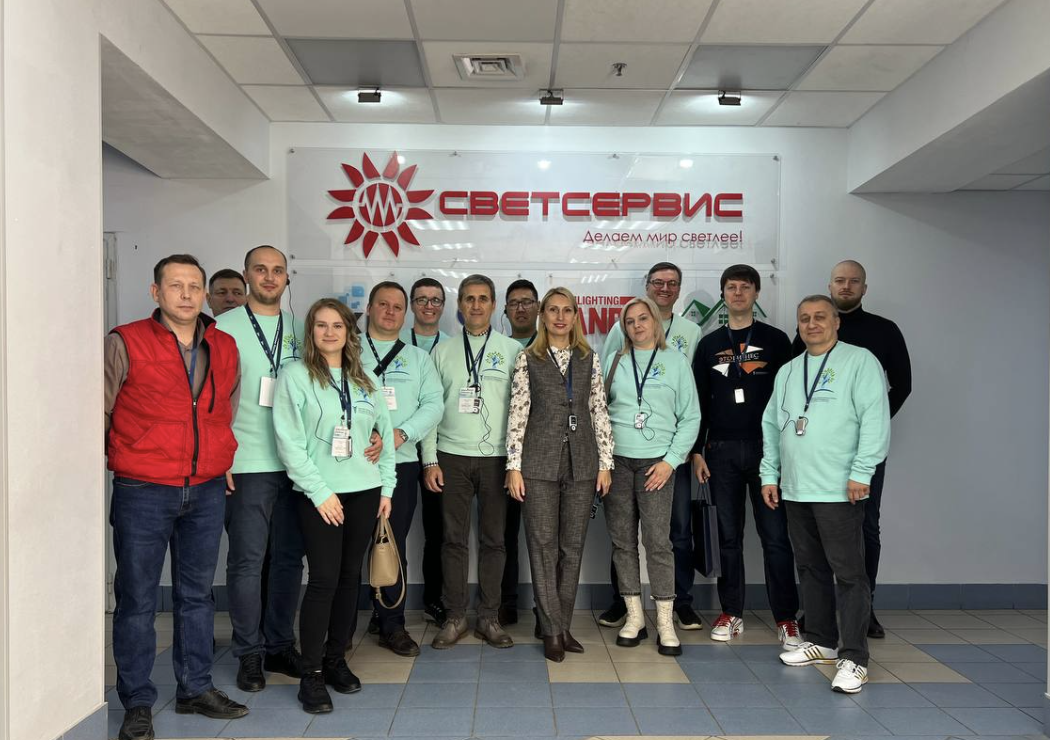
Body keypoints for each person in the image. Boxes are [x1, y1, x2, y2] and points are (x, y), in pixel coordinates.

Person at [106, 255, 248, 740]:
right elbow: (99, 409)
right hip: (143, 488)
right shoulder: (126, 341)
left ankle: (195, 688)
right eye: (175, 286)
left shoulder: (223, 345)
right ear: (156, 292)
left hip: (205, 488)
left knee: (196, 596)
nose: (186, 295)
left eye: (194, 286)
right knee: (137, 599)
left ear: (204, 294)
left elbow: (224, 407)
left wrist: (218, 454)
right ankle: (137, 701)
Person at [272, 298, 396, 714]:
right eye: (321, 325)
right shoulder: (295, 376)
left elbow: (385, 437)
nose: (329, 333)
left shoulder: (366, 379)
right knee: (323, 579)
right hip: (319, 494)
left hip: (365, 489)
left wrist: (387, 488)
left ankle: (335, 659)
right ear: (311, 332)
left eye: (337, 325)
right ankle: (311, 674)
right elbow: (289, 441)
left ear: (348, 332)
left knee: (348, 578)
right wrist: (319, 491)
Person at [762, 295, 890, 695]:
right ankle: (820, 640)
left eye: (820, 317)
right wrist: (770, 474)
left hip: (840, 487)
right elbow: (773, 424)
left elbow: (875, 420)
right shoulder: (788, 370)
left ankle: (854, 658)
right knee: (810, 568)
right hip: (797, 486)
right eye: (804, 318)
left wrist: (861, 472)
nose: (812, 324)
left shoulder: (860, 362)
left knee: (849, 574)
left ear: (836, 322)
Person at [791, 260, 911, 639]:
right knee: (815, 532)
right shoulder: (809, 334)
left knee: (865, 527)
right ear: (830, 285)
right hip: (815, 455)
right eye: (840, 281)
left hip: (863, 454)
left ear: (864, 288)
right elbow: (795, 388)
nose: (846, 286)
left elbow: (902, 385)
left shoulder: (883, 331)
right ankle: (818, 611)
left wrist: (867, 429)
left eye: (853, 281)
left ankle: (864, 609)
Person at [692, 265, 801, 647]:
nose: (737, 293)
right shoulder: (709, 344)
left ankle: (786, 618)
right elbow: (698, 401)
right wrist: (697, 451)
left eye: (745, 287)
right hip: (720, 452)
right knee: (727, 537)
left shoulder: (776, 340)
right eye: (731, 287)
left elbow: (791, 397)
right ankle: (731, 612)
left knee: (776, 538)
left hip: (766, 451)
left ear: (756, 293)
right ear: (723, 295)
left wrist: (787, 450)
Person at [215, 246, 307, 693]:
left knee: (288, 560)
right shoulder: (223, 328)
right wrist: (221, 458)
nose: (270, 277)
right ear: (247, 275)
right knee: (247, 562)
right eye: (261, 270)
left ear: (287, 278)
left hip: (296, 465)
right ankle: (248, 653)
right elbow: (209, 399)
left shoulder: (302, 328)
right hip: (246, 462)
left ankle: (279, 645)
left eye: (278, 270)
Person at [505, 287, 613, 662]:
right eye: (553, 310)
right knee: (542, 546)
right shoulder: (528, 358)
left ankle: (563, 625)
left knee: (572, 547)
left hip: (582, 463)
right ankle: (551, 629)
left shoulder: (588, 358)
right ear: (543, 315)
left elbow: (599, 409)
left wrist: (605, 464)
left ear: (575, 316)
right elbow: (518, 413)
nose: (560, 317)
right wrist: (513, 466)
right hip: (537, 464)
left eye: (567, 310)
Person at [599, 262, 703, 631]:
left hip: (658, 464)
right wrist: (603, 461)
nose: (637, 325)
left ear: (655, 322)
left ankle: (664, 620)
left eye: (643, 318)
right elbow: (599, 411)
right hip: (618, 462)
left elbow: (690, 416)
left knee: (659, 542)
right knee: (623, 542)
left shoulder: (676, 362)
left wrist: (671, 461)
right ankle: (633, 616)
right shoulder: (615, 361)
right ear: (623, 327)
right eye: (630, 321)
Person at [422, 274, 523, 649]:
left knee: (495, 541)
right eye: (469, 299)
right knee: (452, 540)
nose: (476, 305)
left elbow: (522, 411)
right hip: (451, 457)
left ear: (494, 305)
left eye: (483, 299)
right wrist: (430, 459)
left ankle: (489, 618)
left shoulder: (513, 350)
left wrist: (516, 462)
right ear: (460, 305)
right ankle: (455, 617)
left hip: (497, 458)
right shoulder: (442, 352)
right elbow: (430, 409)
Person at [361, 281, 443, 656]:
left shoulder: (418, 359)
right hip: (351, 464)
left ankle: (392, 623)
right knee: (347, 547)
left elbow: (433, 406)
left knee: (391, 544)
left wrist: (401, 433)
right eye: (383, 304)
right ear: (369, 308)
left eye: (397, 306)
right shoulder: (347, 349)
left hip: (401, 464)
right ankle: (344, 624)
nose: (390, 311)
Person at [400, 276, 450, 626]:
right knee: (390, 529)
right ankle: (386, 605)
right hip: (399, 447)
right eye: (422, 299)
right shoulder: (394, 342)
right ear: (411, 305)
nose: (429, 306)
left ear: (443, 306)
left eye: (435, 300)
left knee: (438, 531)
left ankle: (434, 599)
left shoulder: (452, 346)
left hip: (438, 452)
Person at [500, 278, 540, 626]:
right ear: (505, 310)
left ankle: (547, 608)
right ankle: (506, 601)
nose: (521, 308)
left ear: (538, 308)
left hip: (545, 456)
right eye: (514, 303)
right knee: (505, 533)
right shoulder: (499, 350)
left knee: (546, 538)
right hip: (507, 456)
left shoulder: (550, 345)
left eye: (527, 302)